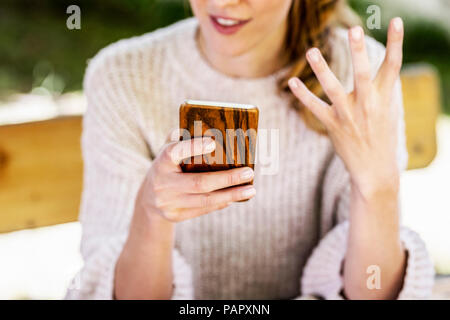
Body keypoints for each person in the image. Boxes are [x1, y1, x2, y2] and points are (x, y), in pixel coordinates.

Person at [66, 0, 434, 300]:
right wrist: (151, 213)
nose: (222, 2)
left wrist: (378, 187)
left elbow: (371, 292)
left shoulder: (358, 76)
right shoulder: (121, 77)